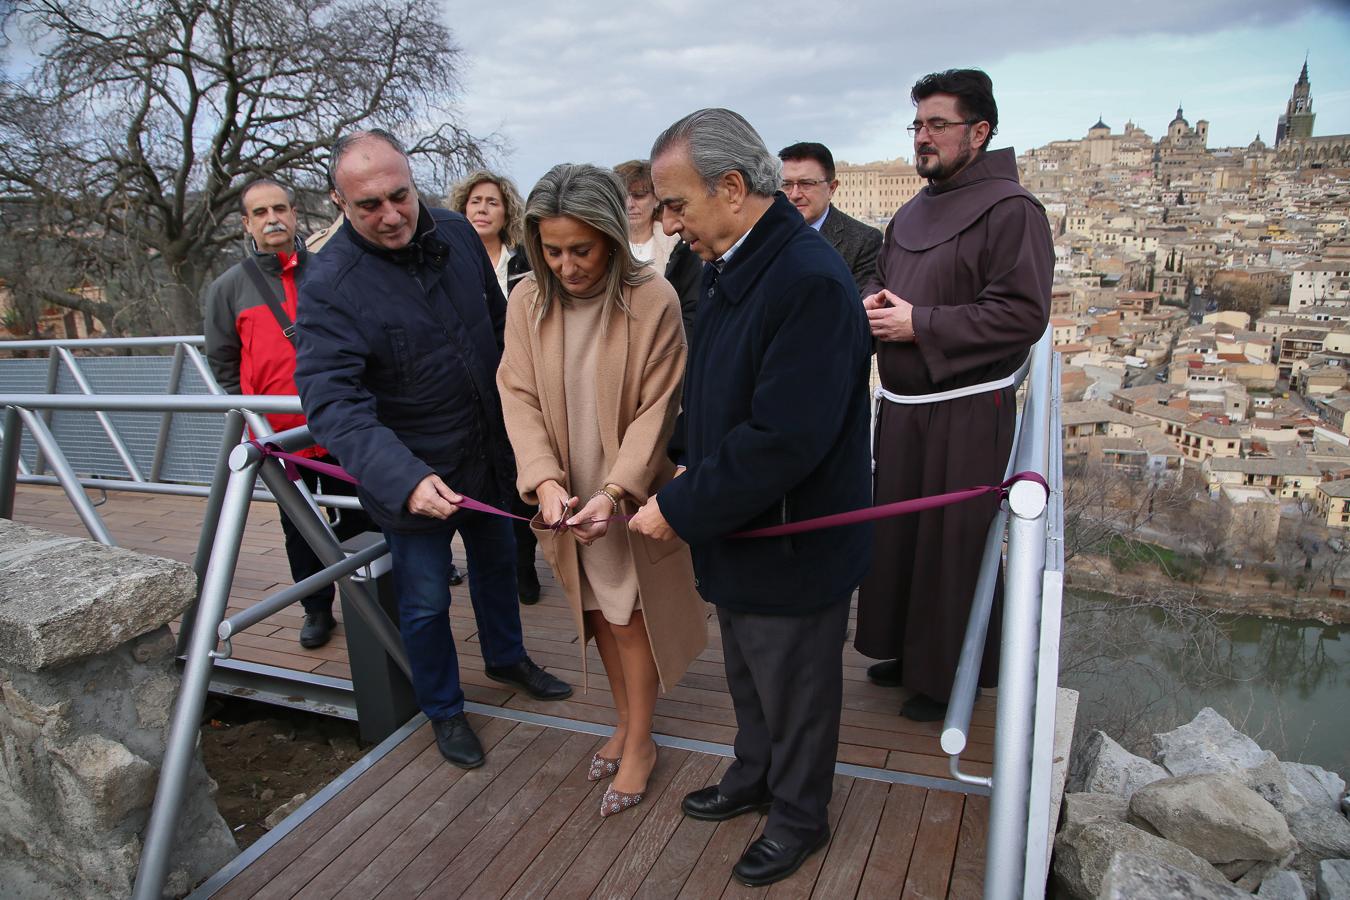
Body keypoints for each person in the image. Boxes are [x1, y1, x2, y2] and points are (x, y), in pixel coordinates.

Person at [629, 109, 872, 887]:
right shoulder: (729, 261)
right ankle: (754, 773)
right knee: (749, 673)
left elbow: (783, 439)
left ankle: (799, 815)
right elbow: (713, 388)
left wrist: (682, 506)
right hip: (743, 527)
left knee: (795, 686)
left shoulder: (808, 280)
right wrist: (669, 466)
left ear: (732, 188)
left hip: (792, 538)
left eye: (678, 205)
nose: (670, 222)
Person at [293, 130, 572, 770]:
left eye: (400, 196)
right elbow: (332, 402)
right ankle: (443, 709)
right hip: (411, 473)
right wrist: (403, 477)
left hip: (486, 452)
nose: (391, 216)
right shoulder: (330, 284)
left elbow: (502, 334)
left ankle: (506, 658)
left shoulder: (454, 234)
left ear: (414, 183)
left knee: (499, 565)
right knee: (424, 601)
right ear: (339, 202)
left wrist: (529, 430)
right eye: (369, 206)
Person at [497, 163, 707, 819]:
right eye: (551, 250)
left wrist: (616, 491)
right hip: (564, 490)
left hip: (623, 493)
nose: (566, 265)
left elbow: (659, 406)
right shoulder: (527, 300)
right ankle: (622, 720)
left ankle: (640, 741)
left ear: (612, 237)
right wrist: (545, 481)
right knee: (593, 610)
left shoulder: (654, 299)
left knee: (630, 612)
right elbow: (518, 395)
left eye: (581, 249)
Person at [855, 69, 1053, 722]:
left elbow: (1022, 315)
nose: (923, 137)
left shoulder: (1013, 211)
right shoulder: (910, 212)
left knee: (952, 543)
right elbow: (888, 280)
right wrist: (877, 305)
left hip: (968, 407)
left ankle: (945, 679)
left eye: (937, 124)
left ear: (980, 131)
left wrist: (920, 324)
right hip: (906, 408)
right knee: (903, 539)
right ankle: (909, 654)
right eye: (917, 125)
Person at [204, 177, 372, 649]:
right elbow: (222, 359)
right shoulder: (228, 288)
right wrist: (255, 413)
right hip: (279, 435)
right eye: (260, 212)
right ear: (247, 223)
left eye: (280, 208)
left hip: (341, 426)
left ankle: (374, 601)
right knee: (299, 527)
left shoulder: (331, 271)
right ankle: (316, 609)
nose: (272, 218)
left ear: (296, 214)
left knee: (362, 514)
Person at [449, 170, 539, 603]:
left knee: (522, 475)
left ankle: (524, 564)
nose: (483, 209)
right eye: (475, 202)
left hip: (521, 386)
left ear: (507, 213)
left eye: (492, 202)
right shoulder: (448, 259)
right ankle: (482, 566)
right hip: (469, 391)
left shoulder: (524, 261)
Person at [613, 159, 702, 338]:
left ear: (656, 199)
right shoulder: (604, 246)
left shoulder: (681, 247)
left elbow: (691, 310)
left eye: (639, 195)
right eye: (623, 195)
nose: (630, 204)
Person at [776, 142, 881, 293]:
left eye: (806, 184)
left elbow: (859, 309)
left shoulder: (864, 242)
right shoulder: (764, 236)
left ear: (832, 188)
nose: (794, 194)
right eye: (786, 184)